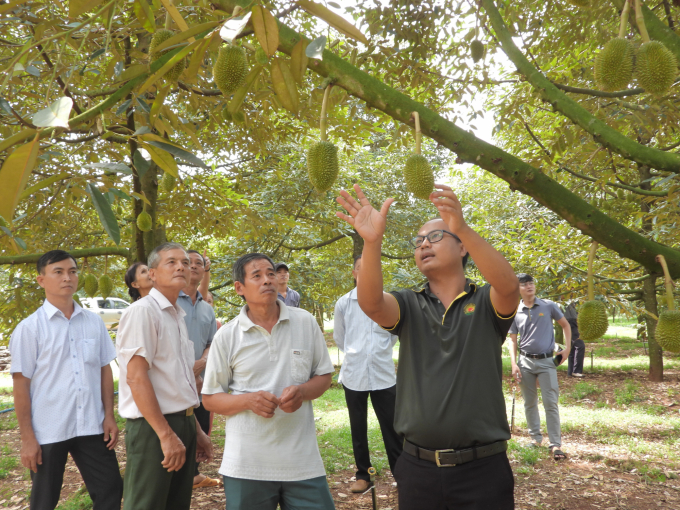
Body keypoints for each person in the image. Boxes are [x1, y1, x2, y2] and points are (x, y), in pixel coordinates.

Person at [336, 184, 520, 510]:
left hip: (483, 469)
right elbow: (371, 303)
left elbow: (508, 286)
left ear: (463, 247)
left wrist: (460, 225)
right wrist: (372, 241)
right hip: (418, 469)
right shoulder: (408, 304)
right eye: (418, 241)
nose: (423, 244)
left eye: (435, 237)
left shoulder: (486, 302)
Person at [202, 253, 335, 510]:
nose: (268, 281)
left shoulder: (305, 322)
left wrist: (303, 391)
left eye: (271, 273)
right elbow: (209, 398)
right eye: (257, 276)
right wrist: (248, 401)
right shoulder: (227, 336)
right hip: (246, 465)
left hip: (302, 462)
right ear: (239, 288)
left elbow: (324, 376)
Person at [10, 250, 122, 510]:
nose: (67, 277)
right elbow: (21, 385)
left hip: (92, 425)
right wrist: (27, 437)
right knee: (44, 500)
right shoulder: (30, 328)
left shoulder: (94, 323)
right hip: (49, 428)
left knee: (111, 490)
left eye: (72, 271)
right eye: (58, 272)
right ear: (41, 280)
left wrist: (109, 415)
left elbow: (104, 370)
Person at [116, 243, 213, 510]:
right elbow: (136, 378)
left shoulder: (176, 315)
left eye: (185, 262)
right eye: (171, 262)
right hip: (153, 427)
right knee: (146, 504)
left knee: (176, 503)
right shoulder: (143, 312)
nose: (181, 266)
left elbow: (177, 383)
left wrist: (197, 431)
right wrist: (165, 434)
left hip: (182, 421)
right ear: (153, 274)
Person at [334, 254, 402, 493]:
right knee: (358, 428)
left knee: (393, 427)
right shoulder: (344, 303)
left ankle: (401, 473)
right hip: (354, 374)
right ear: (354, 274)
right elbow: (340, 338)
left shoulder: (389, 301)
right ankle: (363, 474)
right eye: (360, 269)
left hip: (383, 374)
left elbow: (393, 335)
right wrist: (359, 354)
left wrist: (377, 352)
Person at [508, 274, 571, 461]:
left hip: (546, 362)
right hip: (525, 362)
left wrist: (567, 349)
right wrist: (513, 363)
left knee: (550, 402)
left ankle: (555, 444)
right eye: (524, 284)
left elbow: (566, 325)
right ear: (517, 288)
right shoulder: (515, 311)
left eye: (531, 283)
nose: (529, 286)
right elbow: (512, 339)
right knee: (529, 402)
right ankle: (535, 439)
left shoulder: (548, 306)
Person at [178, 250, 220, 489]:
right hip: (175, 382)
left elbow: (212, 342)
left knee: (200, 430)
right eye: (188, 262)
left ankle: (192, 475)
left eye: (198, 263)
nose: (193, 266)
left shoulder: (207, 308)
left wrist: (202, 363)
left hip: (201, 383)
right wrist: (186, 368)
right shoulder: (171, 301)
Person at [564, 302, 585, 378]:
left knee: (572, 347)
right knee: (580, 345)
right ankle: (576, 371)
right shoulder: (564, 298)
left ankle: (571, 371)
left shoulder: (573, 299)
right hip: (569, 322)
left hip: (573, 322)